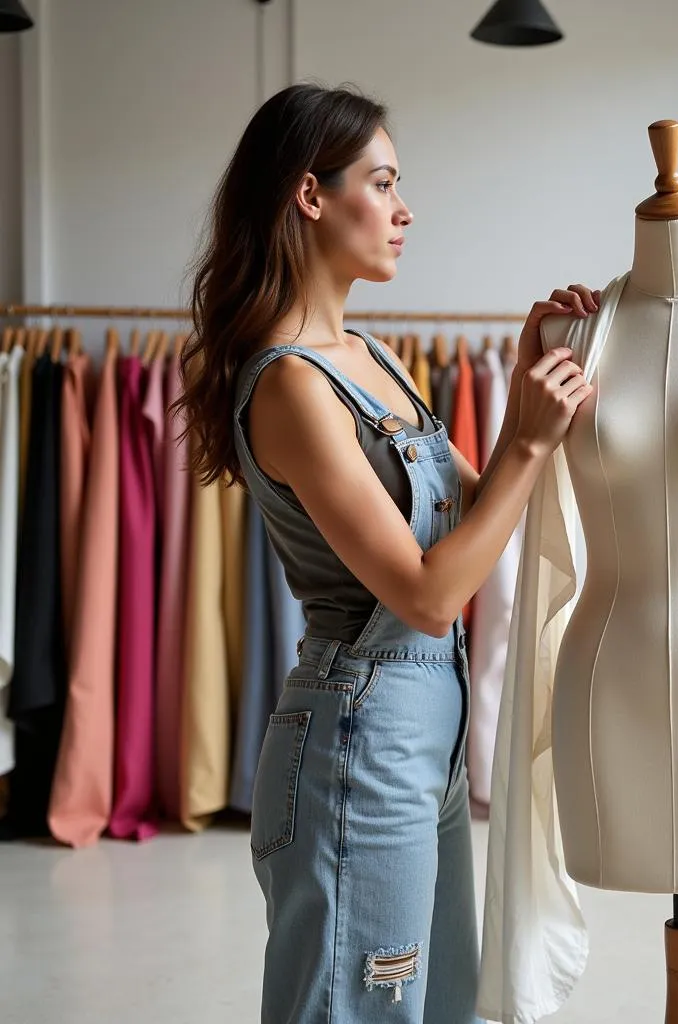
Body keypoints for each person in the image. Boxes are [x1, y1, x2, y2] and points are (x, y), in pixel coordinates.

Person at [174, 81, 600, 1024]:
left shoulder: (370, 355)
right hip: (357, 744)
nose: (405, 210)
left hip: (419, 745)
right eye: (383, 181)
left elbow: (474, 516)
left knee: (432, 1006)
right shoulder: (289, 385)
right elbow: (426, 594)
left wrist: (535, 374)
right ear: (311, 195)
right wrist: (525, 442)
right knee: (357, 1012)